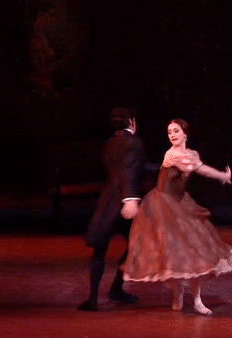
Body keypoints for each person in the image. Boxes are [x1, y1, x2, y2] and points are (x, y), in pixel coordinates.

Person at [121, 118, 232, 315]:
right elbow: (200, 169)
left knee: (194, 252)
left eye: (176, 131)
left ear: (185, 133)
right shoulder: (174, 154)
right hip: (161, 206)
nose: (172, 135)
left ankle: (196, 300)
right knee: (167, 254)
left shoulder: (190, 154)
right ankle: (178, 289)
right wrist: (222, 176)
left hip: (180, 204)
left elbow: (197, 167)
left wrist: (221, 176)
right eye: (169, 132)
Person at [77, 107, 150, 311]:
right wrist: (130, 199)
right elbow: (128, 171)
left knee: (102, 249)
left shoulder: (111, 143)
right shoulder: (135, 143)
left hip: (109, 200)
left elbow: (133, 167)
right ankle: (115, 289)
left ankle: (94, 297)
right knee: (135, 244)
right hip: (124, 202)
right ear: (132, 122)